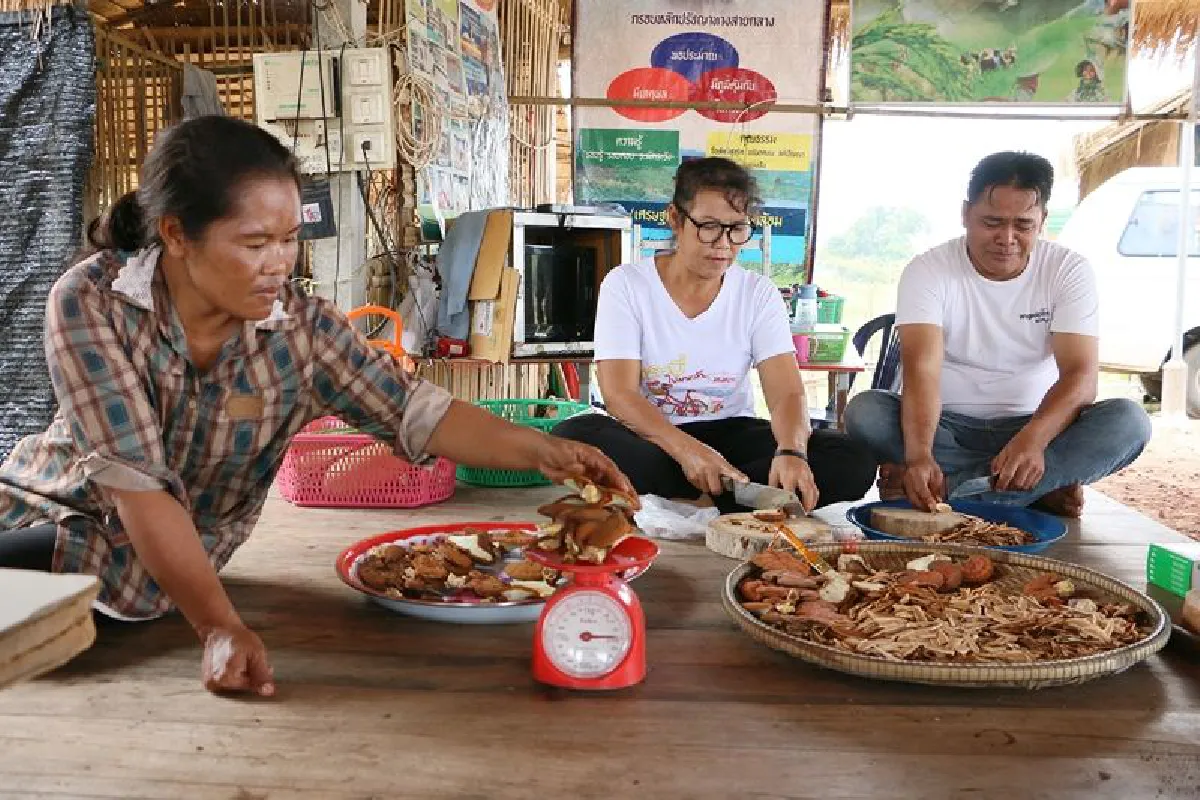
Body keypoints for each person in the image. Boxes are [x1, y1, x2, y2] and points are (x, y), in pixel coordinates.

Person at [0, 115, 635, 697]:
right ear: (176, 234)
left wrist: (551, 451)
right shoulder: (93, 301)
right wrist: (220, 627)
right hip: (50, 509)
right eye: (254, 245)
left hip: (159, 563)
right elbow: (135, 486)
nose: (279, 265)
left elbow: (420, 412)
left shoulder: (304, 333)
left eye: (289, 240)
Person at [552, 158, 876, 513]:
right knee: (573, 435)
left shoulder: (758, 293)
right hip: (654, 438)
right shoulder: (626, 285)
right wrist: (689, 451)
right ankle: (738, 498)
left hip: (732, 433)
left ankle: (696, 499)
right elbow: (620, 395)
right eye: (708, 226)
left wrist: (791, 452)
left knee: (852, 458)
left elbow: (786, 391)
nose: (723, 244)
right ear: (675, 219)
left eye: (737, 229)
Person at [844, 151, 1151, 517]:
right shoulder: (928, 270)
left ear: (1043, 221)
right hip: (946, 428)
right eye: (991, 222)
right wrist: (920, 455)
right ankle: (1031, 488)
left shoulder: (1068, 270)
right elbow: (921, 371)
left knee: (1129, 421)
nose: (1006, 238)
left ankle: (950, 491)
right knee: (865, 411)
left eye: (1023, 225)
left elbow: (1081, 377)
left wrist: (1033, 440)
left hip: (1037, 424)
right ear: (965, 214)